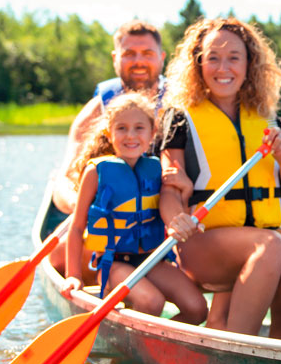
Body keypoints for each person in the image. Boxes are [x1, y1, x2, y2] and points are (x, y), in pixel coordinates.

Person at [158, 17, 281, 338]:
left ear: (249, 64)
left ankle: (278, 346)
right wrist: (176, 219)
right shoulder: (181, 118)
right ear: (198, 62)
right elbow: (170, 186)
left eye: (234, 57)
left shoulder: (270, 119)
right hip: (202, 242)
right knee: (270, 244)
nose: (223, 67)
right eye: (212, 57)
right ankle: (242, 347)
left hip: (258, 239)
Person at [62, 91, 207, 324]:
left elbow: (178, 217)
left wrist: (187, 190)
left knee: (198, 309)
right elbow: (77, 227)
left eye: (139, 128)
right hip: (114, 263)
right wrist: (73, 276)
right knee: (152, 302)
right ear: (109, 134)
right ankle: (135, 352)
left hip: (153, 259)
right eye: (121, 128)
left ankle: (161, 346)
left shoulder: (156, 169)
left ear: (152, 134)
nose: (130, 136)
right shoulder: (95, 172)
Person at [52, 19, 167, 215]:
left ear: (162, 58)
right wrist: (79, 207)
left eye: (147, 54)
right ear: (115, 58)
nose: (139, 61)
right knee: (58, 247)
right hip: (110, 213)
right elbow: (65, 178)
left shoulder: (178, 103)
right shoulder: (98, 108)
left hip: (164, 208)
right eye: (129, 54)